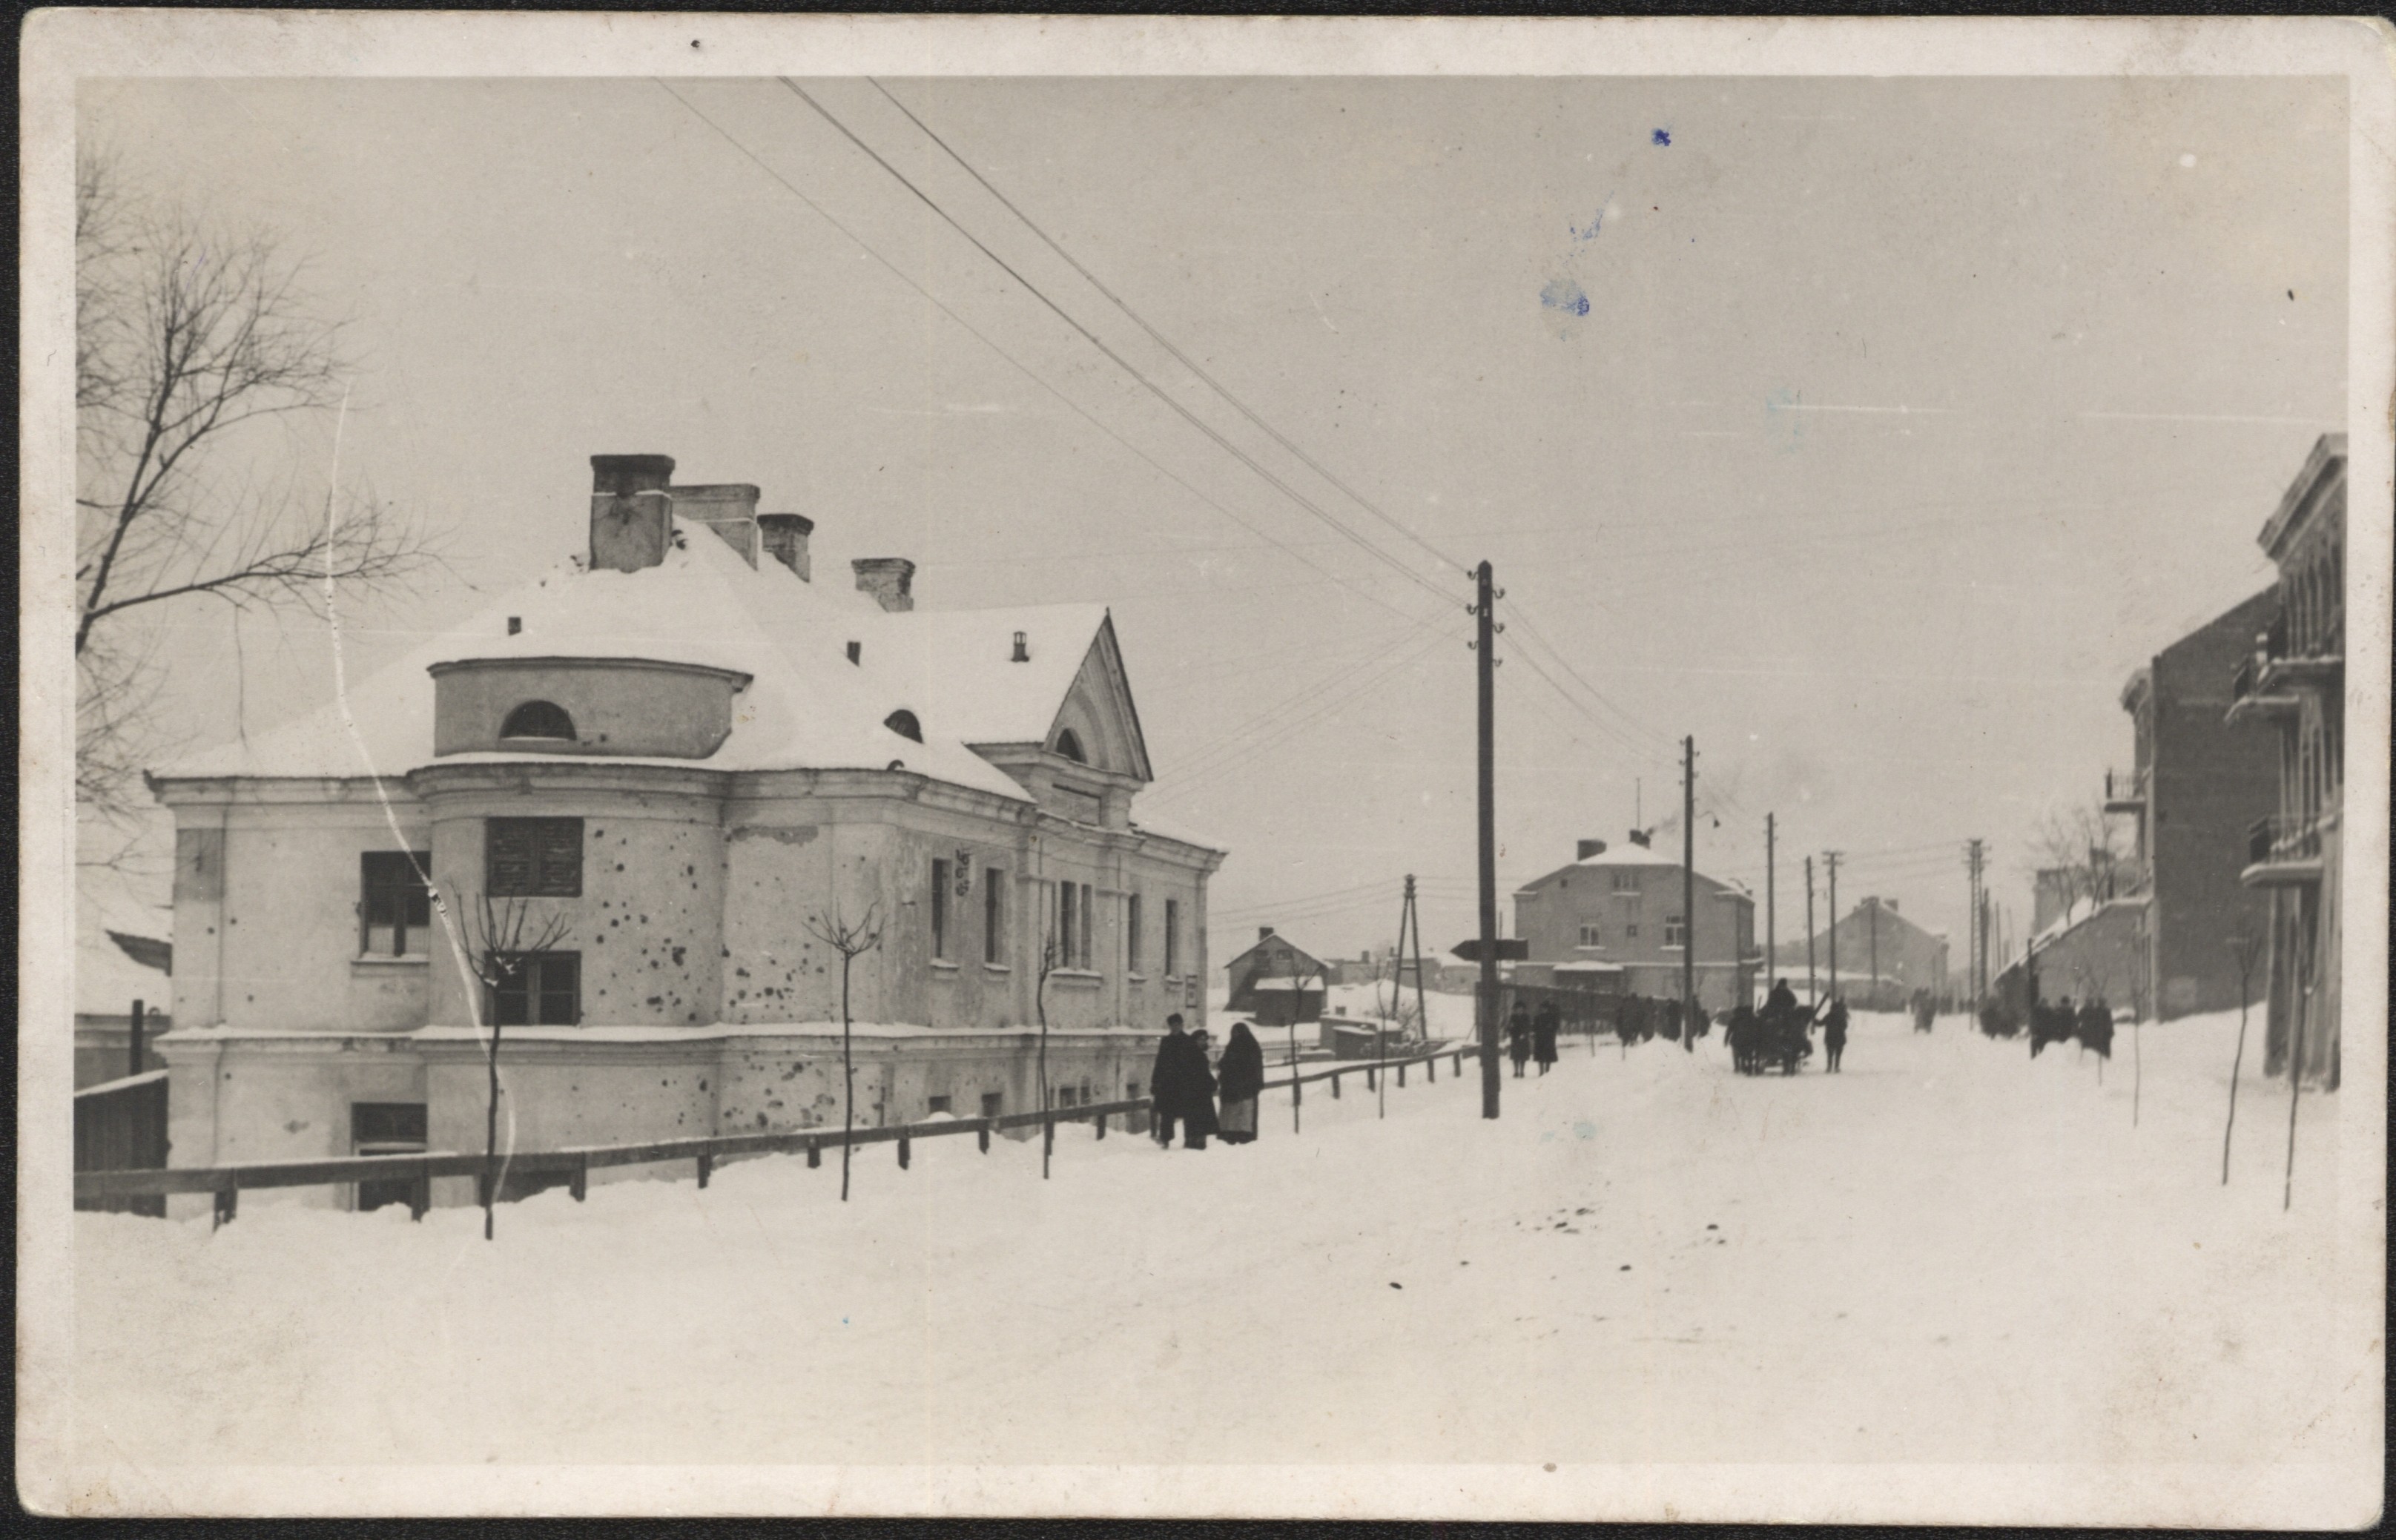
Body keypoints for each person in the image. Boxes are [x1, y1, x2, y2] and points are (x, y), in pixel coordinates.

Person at [1215, 1021, 1264, 1145]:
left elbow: (1254, 1067)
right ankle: (1230, 1134)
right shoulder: (1231, 1047)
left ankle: (1244, 1135)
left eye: (1238, 1033)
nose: (1235, 1035)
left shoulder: (1252, 1047)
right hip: (1231, 1087)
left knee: (1245, 1111)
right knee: (1231, 1111)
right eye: (1233, 1033)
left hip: (1246, 1086)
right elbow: (1225, 1062)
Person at [1150, 1014, 1191, 1146]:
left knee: (1187, 1112)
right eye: (1173, 1025)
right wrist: (1155, 1082)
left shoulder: (1188, 1041)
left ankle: (1188, 1139)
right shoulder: (1166, 1041)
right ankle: (1165, 1139)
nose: (1175, 1028)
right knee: (1166, 1113)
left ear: (1182, 1025)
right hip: (1167, 1083)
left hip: (1183, 1083)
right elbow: (1160, 1062)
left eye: (1178, 1025)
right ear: (1170, 1026)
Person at [1181, 1028, 1220, 1149]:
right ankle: (1198, 1145)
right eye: (1201, 1039)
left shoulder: (1191, 1052)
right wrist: (1213, 1083)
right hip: (1198, 1093)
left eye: (1205, 1039)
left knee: (1193, 1120)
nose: (1203, 1042)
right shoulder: (1195, 1054)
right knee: (1199, 1120)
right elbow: (1202, 1073)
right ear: (1195, 1040)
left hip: (1194, 1092)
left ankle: (1191, 1143)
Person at [1821, 997, 1849, 1073]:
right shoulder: (1841, 1017)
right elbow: (1845, 1026)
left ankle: (1829, 1067)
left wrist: (1813, 1019)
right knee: (1838, 1053)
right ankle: (1837, 1067)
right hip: (1840, 1037)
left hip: (1830, 1037)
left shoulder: (1828, 1016)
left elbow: (1820, 1023)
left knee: (1830, 1053)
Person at [1533, 999, 1560, 1074]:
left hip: (1549, 1039)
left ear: (1548, 1009)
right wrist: (1536, 1033)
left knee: (1548, 1056)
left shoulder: (1552, 1017)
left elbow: (1556, 1027)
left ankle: (1548, 1070)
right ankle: (1541, 1071)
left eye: (1545, 1008)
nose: (1543, 1010)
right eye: (1542, 1008)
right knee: (1540, 1056)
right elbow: (1534, 1028)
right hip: (1540, 1039)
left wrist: (1551, 1030)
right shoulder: (1538, 1018)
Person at [1507, 1000, 1533, 1077]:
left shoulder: (1526, 1017)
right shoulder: (1513, 1017)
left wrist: (1524, 1034)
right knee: (1515, 1057)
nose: (1519, 1010)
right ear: (1516, 1009)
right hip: (1515, 1038)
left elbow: (1528, 1027)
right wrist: (1511, 1030)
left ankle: (1522, 1071)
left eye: (1521, 1008)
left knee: (1523, 1057)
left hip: (1523, 1039)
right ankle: (1516, 1071)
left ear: (1523, 1009)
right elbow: (1509, 1027)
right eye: (1518, 1008)